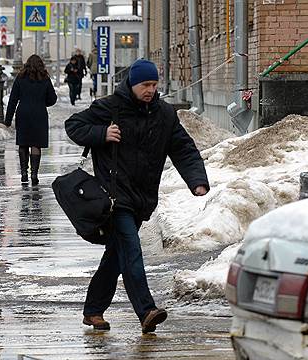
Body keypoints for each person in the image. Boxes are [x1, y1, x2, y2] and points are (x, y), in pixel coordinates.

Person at [64, 59, 209, 334]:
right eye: (145, 85)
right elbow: (74, 125)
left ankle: (93, 309)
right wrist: (101, 133)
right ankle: (146, 310)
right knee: (131, 250)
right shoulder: (110, 108)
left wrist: (197, 180)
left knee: (116, 257)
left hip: (142, 199)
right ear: (132, 84)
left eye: (154, 85)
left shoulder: (165, 115)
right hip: (114, 197)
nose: (150, 90)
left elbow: (183, 149)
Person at [4, 54, 57, 186]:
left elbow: (13, 100)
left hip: (23, 113)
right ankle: (34, 174)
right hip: (39, 114)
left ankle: (23, 173)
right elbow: (52, 99)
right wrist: (42, 102)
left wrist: (8, 119)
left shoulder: (20, 78)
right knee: (35, 144)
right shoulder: (45, 79)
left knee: (23, 143)